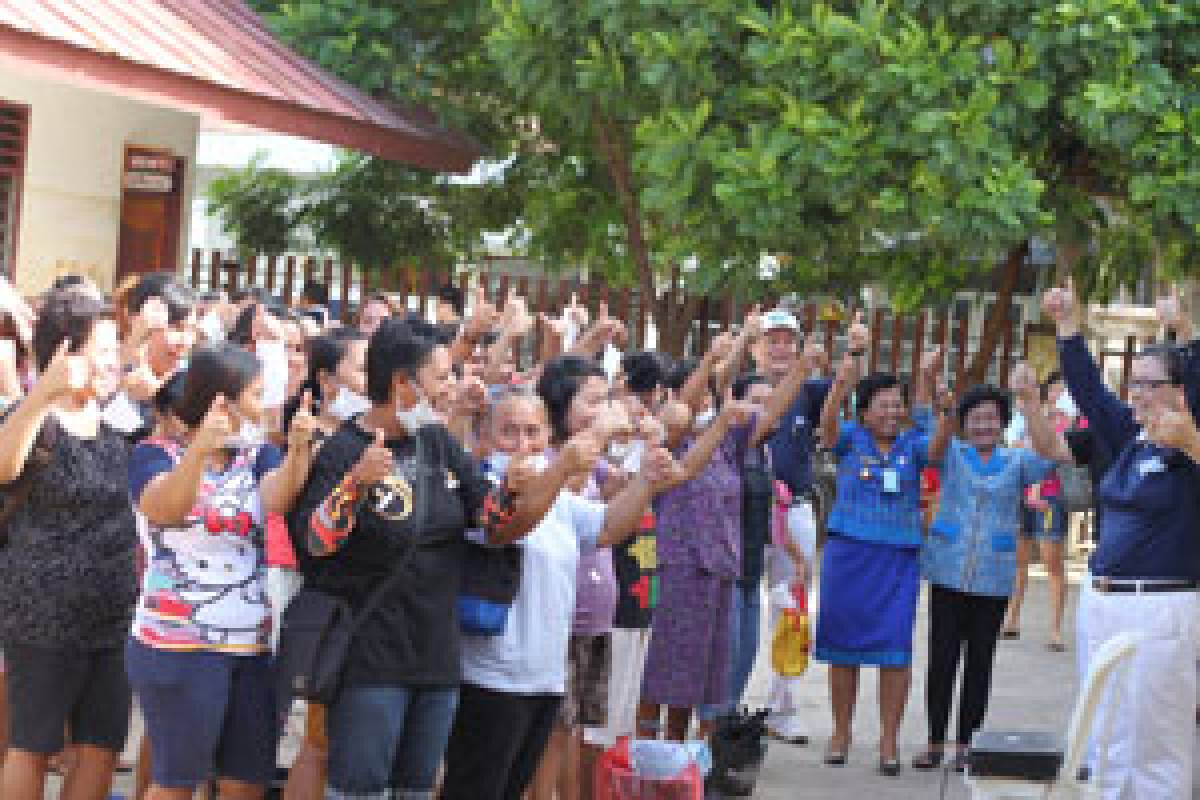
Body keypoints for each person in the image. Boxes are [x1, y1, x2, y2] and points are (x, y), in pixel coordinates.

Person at [287, 319, 577, 800]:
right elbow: (315, 543)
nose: (452, 389)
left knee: (418, 790)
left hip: (437, 659)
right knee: (359, 791)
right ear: (402, 383)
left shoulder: (437, 442)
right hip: (370, 657)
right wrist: (355, 485)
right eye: (441, 378)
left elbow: (487, 518)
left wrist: (511, 490)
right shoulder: (342, 449)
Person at [440, 388, 684, 800]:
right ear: (485, 436)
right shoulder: (480, 488)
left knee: (511, 788)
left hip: (545, 677)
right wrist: (568, 462)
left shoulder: (561, 501)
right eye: (509, 433)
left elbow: (607, 527)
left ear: (549, 436)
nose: (522, 445)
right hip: (490, 678)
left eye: (533, 432)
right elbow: (507, 526)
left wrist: (646, 481)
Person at [126, 343, 318, 800]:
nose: (262, 403)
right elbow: (166, 509)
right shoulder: (154, 454)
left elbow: (276, 500)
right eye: (253, 394)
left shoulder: (255, 455)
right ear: (221, 400)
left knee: (245, 782)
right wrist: (199, 450)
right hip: (178, 643)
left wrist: (296, 450)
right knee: (176, 783)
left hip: (249, 644)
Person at [1042, 279, 1200, 799]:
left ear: (1179, 391)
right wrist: (1067, 326)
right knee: (1103, 735)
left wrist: (1183, 330)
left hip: (1162, 604)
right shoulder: (1129, 437)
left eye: (1149, 383)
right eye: (1133, 382)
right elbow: (1089, 388)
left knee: (1156, 739)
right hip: (1104, 601)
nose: (1137, 393)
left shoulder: (1188, 444)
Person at [640, 312, 816, 744]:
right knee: (661, 673)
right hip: (674, 568)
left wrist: (802, 368)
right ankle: (646, 759)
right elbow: (688, 402)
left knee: (698, 680)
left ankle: (680, 763)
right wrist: (711, 363)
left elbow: (771, 411)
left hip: (720, 570)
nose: (697, 403)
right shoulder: (667, 440)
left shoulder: (728, 440)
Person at [0, 288, 138, 800]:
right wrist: (40, 395)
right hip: (43, 614)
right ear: (64, 353)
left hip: (110, 612)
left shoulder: (115, 424)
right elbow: (3, 467)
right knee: (32, 744)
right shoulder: (32, 419)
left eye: (114, 351)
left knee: (101, 745)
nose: (114, 363)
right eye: (102, 352)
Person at [912, 373, 1056, 773]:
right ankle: (934, 741)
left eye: (991, 418)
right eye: (975, 417)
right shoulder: (953, 452)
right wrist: (940, 402)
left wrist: (1032, 402)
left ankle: (966, 745)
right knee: (941, 660)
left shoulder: (1017, 460)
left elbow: (1049, 458)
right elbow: (930, 446)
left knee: (980, 663)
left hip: (993, 577)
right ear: (963, 421)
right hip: (947, 571)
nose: (983, 425)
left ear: (1004, 421)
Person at [814, 315, 934, 776]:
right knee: (842, 646)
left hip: (898, 558)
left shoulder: (913, 443)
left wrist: (929, 384)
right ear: (864, 412)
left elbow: (939, 443)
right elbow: (826, 426)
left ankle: (888, 741)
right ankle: (841, 733)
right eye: (881, 405)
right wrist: (841, 383)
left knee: (895, 649)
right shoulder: (849, 438)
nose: (891, 412)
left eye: (896, 405)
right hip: (849, 556)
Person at [1002, 371, 1073, 650]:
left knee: (1052, 563)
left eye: (1063, 390)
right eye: (1054, 389)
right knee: (1019, 561)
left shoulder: (1069, 422)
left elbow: (1057, 452)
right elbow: (1013, 443)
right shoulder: (1030, 416)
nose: (1057, 395)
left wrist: (1037, 445)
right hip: (1022, 495)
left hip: (1051, 497)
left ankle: (1055, 630)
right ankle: (1011, 619)